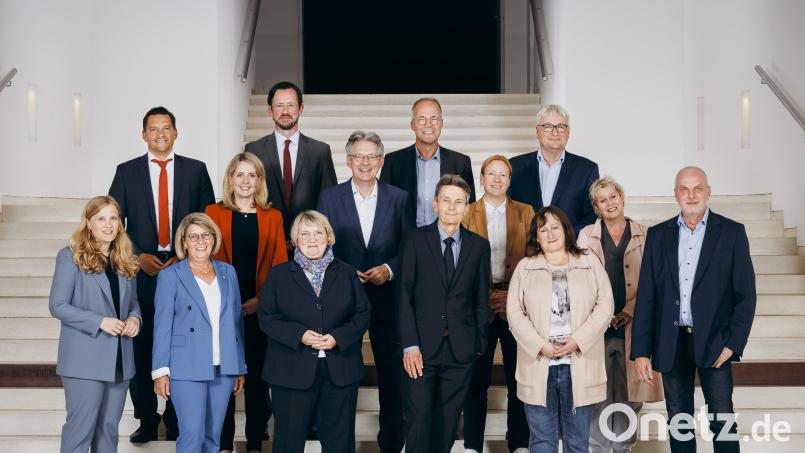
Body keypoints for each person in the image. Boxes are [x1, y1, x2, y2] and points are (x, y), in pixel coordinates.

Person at [631, 167, 756, 453]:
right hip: (671, 343)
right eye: (684, 189)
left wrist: (732, 344)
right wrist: (641, 351)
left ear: (708, 192)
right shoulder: (658, 235)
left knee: (722, 421)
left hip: (716, 342)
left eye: (697, 188)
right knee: (679, 422)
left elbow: (746, 296)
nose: (691, 195)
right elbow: (647, 296)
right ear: (675, 194)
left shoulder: (732, 233)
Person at [109, 105, 215, 443]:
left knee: (179, 343)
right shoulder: (126, 172)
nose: (160, 134)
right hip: (141, 271)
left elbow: (206, 220)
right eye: (153, 129)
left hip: (186, 268)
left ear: (176, 132)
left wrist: (185, 256)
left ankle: (175, 416)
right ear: (144, 134)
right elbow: (113, 225)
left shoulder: (196, 170)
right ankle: (146, 417)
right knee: (140, 346)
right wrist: (137, 257)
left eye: (166, 128)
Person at [317, 131, 414, 453]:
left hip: (387, 296)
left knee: (390, 371)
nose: (365, 162)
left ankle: (391, 441)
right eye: (359, 156)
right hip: (344, 296)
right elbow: (320, 246)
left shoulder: (398, 197)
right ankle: (338, 440)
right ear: (348, 161)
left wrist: (389, 269)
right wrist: (345, 271)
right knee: (342, 371)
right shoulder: (330, 198)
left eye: (372, 156)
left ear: (382, 161)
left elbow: (408, 247)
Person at [258, 210, 371, 453]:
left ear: (328, 237)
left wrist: (337, 338)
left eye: (318, 233)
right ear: (295, 240)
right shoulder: (278, 275)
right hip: (290, 370)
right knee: (288, 442)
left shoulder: (348, 273)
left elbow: (362, 314)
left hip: (339, 370)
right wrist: (299, 334)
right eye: (304, 234)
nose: (312, 240)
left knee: (339, 444)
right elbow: (266, 318)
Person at [506, 206, 613, 453]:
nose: (550, 233)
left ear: (565, 230)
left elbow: (605, 305)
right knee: (542, 442)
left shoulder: (588, 262)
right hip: (538, 364)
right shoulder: (525, 267)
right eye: (543, 229)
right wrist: (540, 345)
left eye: (555, 227)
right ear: (536, 235)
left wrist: (578, 339)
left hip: (579, 362)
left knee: (577, 443)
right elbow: (514, 313)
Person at [397, 174, 491, 453]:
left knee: (448, 422)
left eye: (459, 201)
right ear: (435, 204)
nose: (452, 207)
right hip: (420, 350)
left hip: (460, 349)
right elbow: (403, 296)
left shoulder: (478, 246)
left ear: (466, 207)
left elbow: (480, 300)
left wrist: (478, 345)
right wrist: (410, 345)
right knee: (419, 419)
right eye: (446, 200)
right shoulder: (414, 240)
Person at [205, 152, 288, 453]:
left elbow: (280, 265)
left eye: (251, 175)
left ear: (259, 181)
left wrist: (260, 302)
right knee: (224, 377)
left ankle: (255, 442)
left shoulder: (272, 216)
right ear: (230, 178)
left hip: (259, 308)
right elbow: (204, 260)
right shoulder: (212, 213)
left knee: (256, 379)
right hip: (221, 308)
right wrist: (227, 302)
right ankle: (224, 444)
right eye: (239, 174)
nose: (245, 181)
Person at [577, 176, 664, 453]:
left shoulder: (646, 234)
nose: (609, 203)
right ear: (596, 207)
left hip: (635, 326)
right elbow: (579, 280)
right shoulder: (585, 235)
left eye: (613, 197)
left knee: (631, 394)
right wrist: (602, 314)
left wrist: (627, 311)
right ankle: (598, 448)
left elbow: (655, 282)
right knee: (597, 392)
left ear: (622, 197)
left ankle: (623, 447)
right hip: (597, 327)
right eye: (602, 200)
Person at [49, 195, 142, 453]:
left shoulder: (125, 257)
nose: (109, 224)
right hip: (84, 361)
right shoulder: (70, 257)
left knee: (108, 431)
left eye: (113, 218)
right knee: (81, 430)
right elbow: (57, 305)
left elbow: (132, 303)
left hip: (120, 361)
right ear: (88, 223)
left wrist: (135, 318)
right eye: (101, 218)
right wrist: (99, 321)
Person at [152, 213, 247, 453]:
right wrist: (160, 371)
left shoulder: (228, 272)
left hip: (223, 365)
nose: (200, 241)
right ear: (183, 241)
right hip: (186, 365)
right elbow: (162, 325)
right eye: (193, 236)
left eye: (206, 235)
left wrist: (238, 366)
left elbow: (236, 323)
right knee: (192, 433)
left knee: (213, 436)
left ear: (214, 238)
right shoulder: (169, 276)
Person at [460, 155, 533, 453]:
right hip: (478, 304)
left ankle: (518, 443)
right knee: (476, 381)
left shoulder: (526, 212)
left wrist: (511, 295)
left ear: (510, 180)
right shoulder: (467, 212)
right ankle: (472, 445)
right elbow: (460, 260)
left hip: (516, 303)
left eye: (504, 175)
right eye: (492, 174)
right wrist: (486, 295)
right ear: (481, 177)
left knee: (519, 379)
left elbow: (534, 257)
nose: (498, 179)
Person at [245, 81, 338, 239]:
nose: (285, 111)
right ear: (270, 110)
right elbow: (247, 197)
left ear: (301, 108)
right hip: (266, 238)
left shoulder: (320, 151)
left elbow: (330, 199)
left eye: (291, 105)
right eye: (279, 105)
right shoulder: (254, 150)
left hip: (308, 240)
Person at [379, 97, 476, 226]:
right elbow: (384, 206)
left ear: (441, 123)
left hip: (446, 240)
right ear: (412, 125)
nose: (428, 124)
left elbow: (469, 209)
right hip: (406, 241)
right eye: (421, 119)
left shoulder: (461, 162)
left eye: (434, 118)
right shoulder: (393, 162)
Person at [509, 104, 599, 234]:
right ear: (537, 131)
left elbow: (591, 215)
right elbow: (507, 210)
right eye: (548, 126)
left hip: (569, 249)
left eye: (561, 127)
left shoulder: (587, 169)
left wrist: (565, 239)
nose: (555, 132)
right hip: (524, 248)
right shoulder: (514, 166)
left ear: (568, 132)